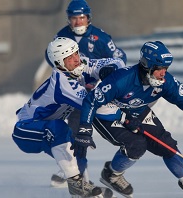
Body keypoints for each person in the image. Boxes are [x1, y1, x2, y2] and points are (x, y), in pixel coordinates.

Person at [72, 41, 183, 198]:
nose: (163, 73)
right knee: (137, 145)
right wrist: (84, 130)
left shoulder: (165, 81)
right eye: (159, 69)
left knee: (167, 145)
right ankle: (112, 174)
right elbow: (92, 101)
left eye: (166, 68)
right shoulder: (121, 79)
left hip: (138, 111)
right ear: (146, 66)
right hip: (107, 114)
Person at [12, 37, 125, 198]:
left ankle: (84, 190)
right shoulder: (61, 82)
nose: (76, 59)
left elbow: (117, 61)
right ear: (59, 64)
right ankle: (76, 184)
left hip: (46, 127)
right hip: (25, 130)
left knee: (77, 146)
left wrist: (111, 69)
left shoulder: (80, 63)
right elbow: (93, 104)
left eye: (76, 53)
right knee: (59, 128)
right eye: (69, 58)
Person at [49, 0, 128, 188]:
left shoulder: (100, 37)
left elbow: (119, 60)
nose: (78, 22)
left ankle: (115, 171)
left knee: (123, 133)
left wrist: (102, 81)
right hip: (76, 95)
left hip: (100, 94)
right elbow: (51, 57)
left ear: (88, 18)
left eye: (81, 18)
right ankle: (78, 176)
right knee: (77, 134)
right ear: (69, 19)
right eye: (74, 18)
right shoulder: (61, 35)